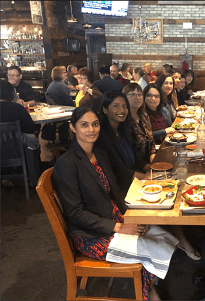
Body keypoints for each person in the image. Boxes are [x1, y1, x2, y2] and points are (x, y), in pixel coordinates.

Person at [52, 106, 179, 300]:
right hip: (91, 235)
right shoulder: (67, 164)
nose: (91, 129)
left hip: (113, 218)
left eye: (95, 124)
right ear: (73, 128)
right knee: (151, 247)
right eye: (84, 125)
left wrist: (131, 217)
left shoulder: (100, 154)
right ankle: (150, 294)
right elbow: (74, 213)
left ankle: (149, 284)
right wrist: (118, 227)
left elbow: (115, 193)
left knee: (163, 236)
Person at [95, 91, 149, 190]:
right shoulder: (102, 136)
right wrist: (150, 179)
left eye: (124, 106)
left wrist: (152, 169)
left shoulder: (124, 129)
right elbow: (120, 172)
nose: (122, 110)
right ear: (105, 109)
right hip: (121, 186)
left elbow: (136, 159)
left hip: (134, 178)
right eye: (116, 106)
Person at [0, 98, 40, 187]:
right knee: (31, 142)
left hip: (1, 151)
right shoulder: (17, 108)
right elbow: (31, 128)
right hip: (18, 149)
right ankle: (34, 179)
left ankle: (6, 177)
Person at [122, 83, 156, 164]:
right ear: (124, 97)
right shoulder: (124, 121)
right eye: (132, 95)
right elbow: (131, 153)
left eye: (139, 95)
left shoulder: (144, 116)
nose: (137, 98)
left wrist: (153, 155)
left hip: (151, 161)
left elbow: (151, 140)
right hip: (138, 167)